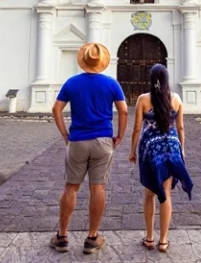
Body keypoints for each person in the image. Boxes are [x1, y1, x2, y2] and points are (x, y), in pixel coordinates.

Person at [50, 42, 128, 255]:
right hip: (103, 140)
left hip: (77, 140)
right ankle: (92, 238)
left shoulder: (72, 83)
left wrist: (65, 134)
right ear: (102, 61)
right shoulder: (111, 84)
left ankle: (62, 236)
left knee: (71, 187)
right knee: (98, 188)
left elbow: (56, 109)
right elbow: (123, 111)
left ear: (83, 60)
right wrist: (120, 135)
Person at [129, 63, 193, 253]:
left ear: (151, 79)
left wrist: (132, 151)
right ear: (166, 80)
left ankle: (149, 238)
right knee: (166, 193)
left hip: (150, 150)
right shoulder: (176, 99)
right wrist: (182, 149)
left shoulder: (143, 99)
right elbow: (180, 128)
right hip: (171, 148)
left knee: (149, 193)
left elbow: (137, 128)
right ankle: (163, 241)